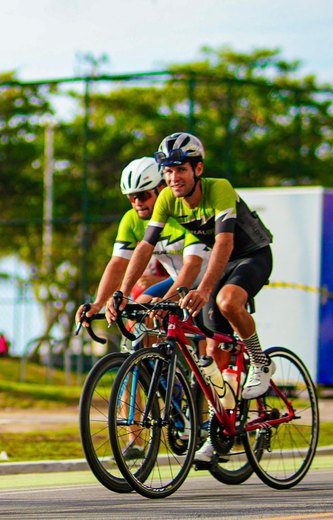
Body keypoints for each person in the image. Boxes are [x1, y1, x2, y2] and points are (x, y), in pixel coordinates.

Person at [106, 132, 274, 465]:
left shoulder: (219, 188)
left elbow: (224, 244)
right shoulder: (168, 198)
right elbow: (144, 247)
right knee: (213, 350)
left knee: (226, 303)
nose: (173, 178)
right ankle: (217, 429)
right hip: (220, 264)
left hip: (250, 256)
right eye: (167, 172)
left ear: (197, 169)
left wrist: (204, 290)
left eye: (180, 170)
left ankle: (260, 361)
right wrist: (121, 293)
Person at [77, 156, 209, 460]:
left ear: (162, 188)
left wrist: (170, 299)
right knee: (142, 314)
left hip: (204, 281)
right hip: (177, 282)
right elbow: (117, 265)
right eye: (131, 197)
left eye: (143, 195)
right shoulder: (132, 220)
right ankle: (168, 388)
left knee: (210, 355)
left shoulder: (182, 213)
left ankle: (209, 409)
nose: (137, 202)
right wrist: (100, 302)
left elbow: (192, 267)